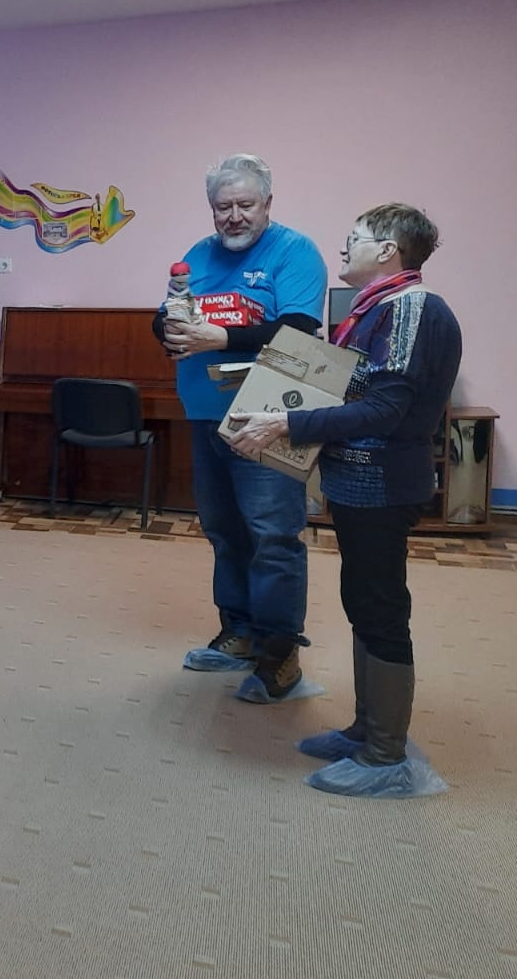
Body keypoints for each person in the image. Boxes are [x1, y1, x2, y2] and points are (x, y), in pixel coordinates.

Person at [227, 204, 460, 798]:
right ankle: (366, 730)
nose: (343, 246)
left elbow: (384, 410)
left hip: (384, 486)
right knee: (362, 601)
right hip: (358, 484)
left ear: (387, 250)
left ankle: (385, 756)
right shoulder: (377, 307)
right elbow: (355, 390)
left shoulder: (412, 308)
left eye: (354, 238)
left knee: (380, 608)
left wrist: (287, 422)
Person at [156, 154, 326, 702]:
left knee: (272, 537)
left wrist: (220, 339)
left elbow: (298, 330)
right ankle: (239, 633)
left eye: (244, 205)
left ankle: (280, 656)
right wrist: (168, 331)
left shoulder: (295, 251)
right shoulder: (197, 254)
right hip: (204, 413)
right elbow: (167, 312)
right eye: (222, 206)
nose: (233, 216)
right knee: (224, 531)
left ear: (267, 203)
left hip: (267, 418)